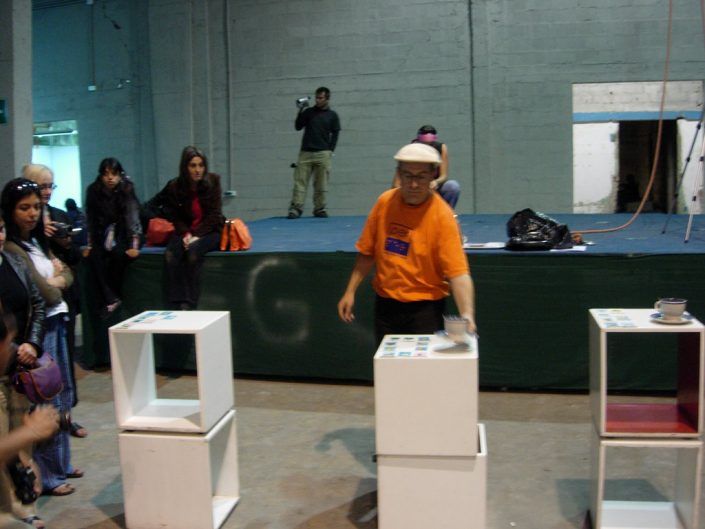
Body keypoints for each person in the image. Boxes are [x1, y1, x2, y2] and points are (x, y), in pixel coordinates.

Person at [338, 143, 476, 345]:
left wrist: (467, 314)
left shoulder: (443, 216)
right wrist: (350, 291)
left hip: (426, 310)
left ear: (432, 177)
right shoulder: (384, 203)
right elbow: (367, 252)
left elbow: (458, 273)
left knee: (421, 366)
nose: (414, 184)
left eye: (421, 177)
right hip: (386, 307)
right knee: (386, 364)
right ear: (398, 175)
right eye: (408, 176)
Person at [1, 177, 81, 498]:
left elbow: (63, 276)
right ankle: (47, 477)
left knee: (57, 398)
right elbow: (46, 292)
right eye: (24, 208)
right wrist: (58, 281)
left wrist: (59, 279)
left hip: (46, 329)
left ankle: (56, 468)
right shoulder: (14, 250)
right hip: (31, 338)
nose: (33, 213)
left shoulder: (34, 244)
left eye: (36, 206)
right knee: (39, 407)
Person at [22, 165, 87, 439]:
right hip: (40, 309)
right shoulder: (23, 229)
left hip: (63, 303)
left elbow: (72, 263)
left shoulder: (59, 216)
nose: (47, 191)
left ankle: (67, 417)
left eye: (51, 186)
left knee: (66, 362)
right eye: (42, 186)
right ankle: (46, 425)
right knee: (45, 371)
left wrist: (63, 242)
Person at [0, 208, 52, 529]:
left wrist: (30, 343)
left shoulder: (14, 260)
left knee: (22, 442)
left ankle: (24, 505)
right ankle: (10, 509)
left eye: (0, 228)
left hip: (19, 366)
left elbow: (40, 301)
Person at [146, 146, 224, 310]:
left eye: (201, 165)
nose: (197, 170)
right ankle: (176, 303)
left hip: (209, 230)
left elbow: (214, 215)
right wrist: (186, 233)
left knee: (193, 252)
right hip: (185, 230)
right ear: (185, 167)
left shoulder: (213, 181)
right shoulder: (175, 186)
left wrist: (196, 235)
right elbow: (176, 216)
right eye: (193, 165)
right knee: (171, 254)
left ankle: (190, 303)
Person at [84, 158, 142, 319]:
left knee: (118, 255)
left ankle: (114, 296)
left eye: (114, 174)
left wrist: (134, 245)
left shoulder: (127, 189)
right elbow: (91, 219)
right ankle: (110, 297)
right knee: (95, 257)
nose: (110, 178)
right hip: (101, 233)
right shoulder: (93, 190)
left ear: (120, 174)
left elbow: (132, 217)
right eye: (106, 174)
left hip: (123, 232)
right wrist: (89, 244)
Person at [287, 86, 341, 219]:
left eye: (320, 98)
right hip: (306, 152)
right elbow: (298, 126)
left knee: (321, 184)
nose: (317, 100)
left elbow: (335, 133)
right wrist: (300, 110)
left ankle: (319, 208)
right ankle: (296, 209)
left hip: (323, 153)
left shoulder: (332, 115)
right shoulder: (309, 112)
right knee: (300, 183)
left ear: (327, 98)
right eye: (316, 97)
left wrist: (330, 150)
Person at [393, 124, 461, 209]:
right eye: (424, 145)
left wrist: (435, 182)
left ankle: (447, 212)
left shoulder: (441, 148)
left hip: (432, 187)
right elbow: (396, 184)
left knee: (452, 186)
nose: (427, 148)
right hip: (415, 189)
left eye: (430, 145)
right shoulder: (409, 152)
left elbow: (444, 176)